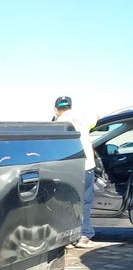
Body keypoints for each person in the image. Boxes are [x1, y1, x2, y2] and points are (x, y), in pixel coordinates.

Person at [53, 96, 96, 248]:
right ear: (70, 106)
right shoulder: (83, 117)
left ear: (56, 110)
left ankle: (68, 238)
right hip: (86, 166)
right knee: (85, 202)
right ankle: (83, 236)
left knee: (67, 202)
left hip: (68, 170)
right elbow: (96, 118)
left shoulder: (57, 124)